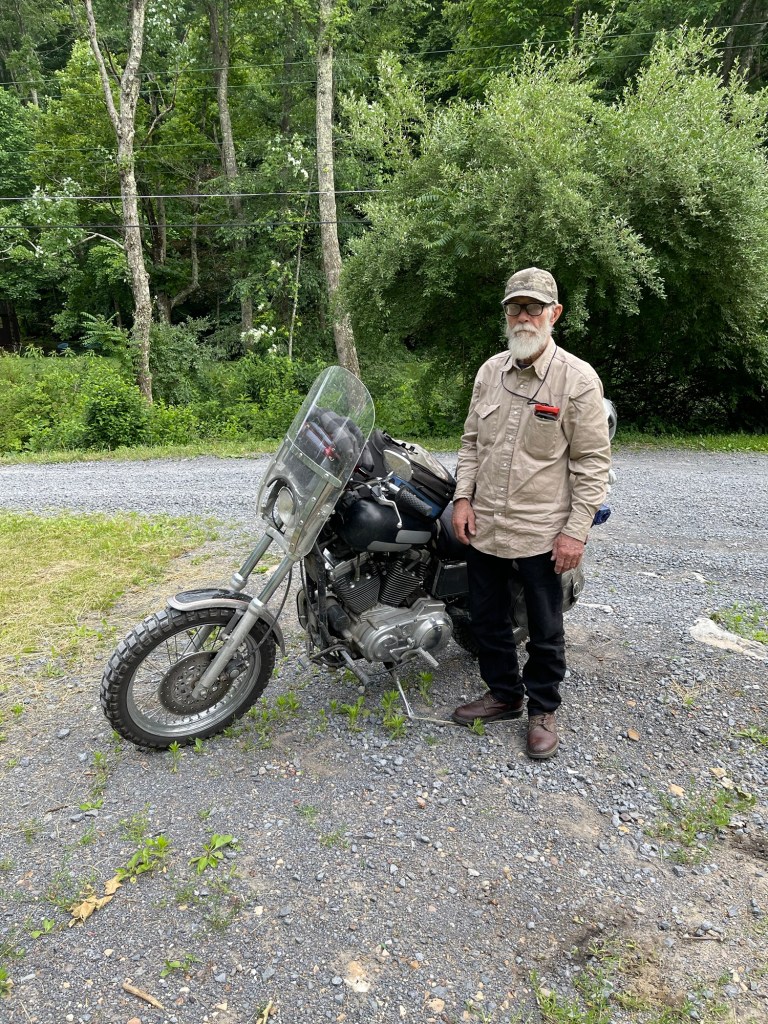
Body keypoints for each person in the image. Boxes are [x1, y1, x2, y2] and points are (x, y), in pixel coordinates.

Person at [451, 267, 611, 759]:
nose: (523, 317)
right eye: (515, 308)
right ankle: (504, 694)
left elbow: (592, 464)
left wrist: (575, 533)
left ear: (553, 314)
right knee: (486, 619)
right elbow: (471, 442)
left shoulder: (576, 380)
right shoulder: (489, 373)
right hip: (486, 524)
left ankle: (543, 708)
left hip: (543, 531)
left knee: (544, 629)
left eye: (533, 308)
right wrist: (462, 497)